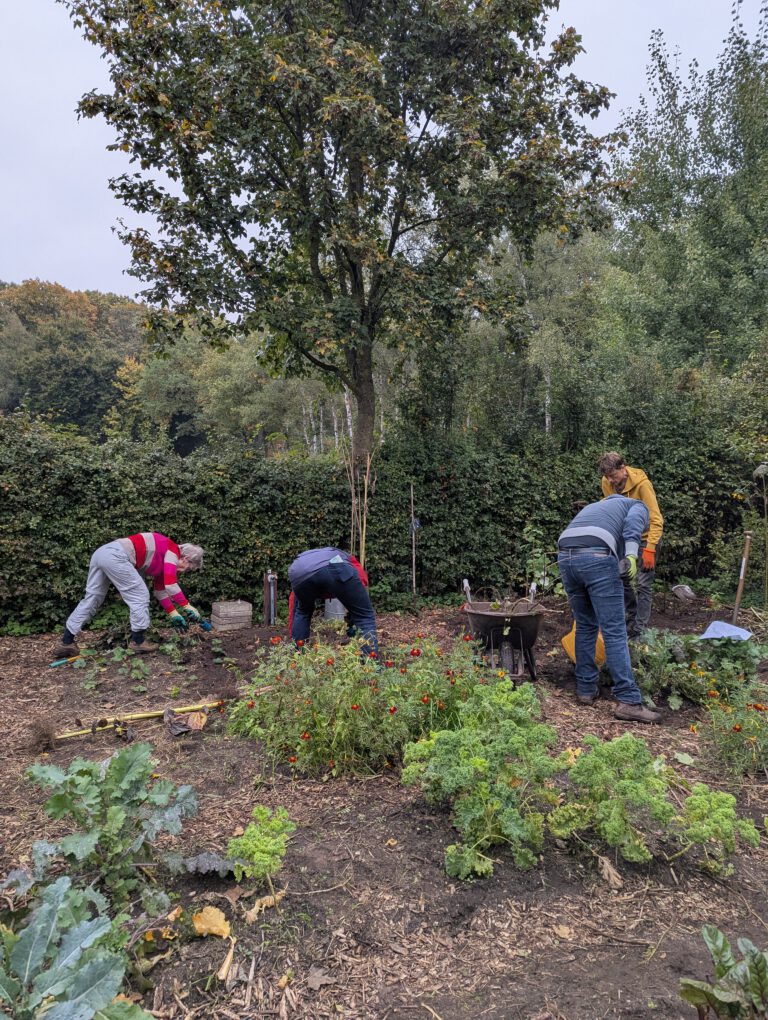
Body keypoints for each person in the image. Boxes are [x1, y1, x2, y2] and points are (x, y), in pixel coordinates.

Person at [557, 496, 661, 723]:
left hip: (565, 555)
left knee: (585, 624)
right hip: (597, 556)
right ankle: (629, 701)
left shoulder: (598, 506)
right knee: (614, 630)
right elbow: (632, 526)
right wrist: (632, 555)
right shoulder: (638, 505)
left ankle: (585, 689)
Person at [53, 532, 205, 657]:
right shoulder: (172, 549)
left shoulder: (165, 559)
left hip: (101, 553)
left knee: (93, 598)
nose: (184, 571)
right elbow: (171, 585)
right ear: (186, 558)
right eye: (188, 568)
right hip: (116, 556)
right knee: (140, 596)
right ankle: (138, 642)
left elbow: (160, 591)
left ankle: (67, 642)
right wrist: (188, 606)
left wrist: (174, 613)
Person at [599, 451, 663, 638]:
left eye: (613, 475)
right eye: (607, 477)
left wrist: (650, 548)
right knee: (622, 578)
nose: (610, 480)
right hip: (625, 538)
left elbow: (656, 519)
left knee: (643, 584)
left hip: (646, 538)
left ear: (623, 468)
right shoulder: (607, 482)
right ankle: (631, 616)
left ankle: (639, 629)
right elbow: (612, 511)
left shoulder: (643, 485)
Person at [288, 547, 378, 655]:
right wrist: (354, 618)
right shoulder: (347, 558)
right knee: (364, 616)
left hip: (297, 573)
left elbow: (294, 606)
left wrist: (292, 633)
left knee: (303, 612)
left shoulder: (310, 559)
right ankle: (369, 661)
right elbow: (360, 582)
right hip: (333, 566)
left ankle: (298, 656)